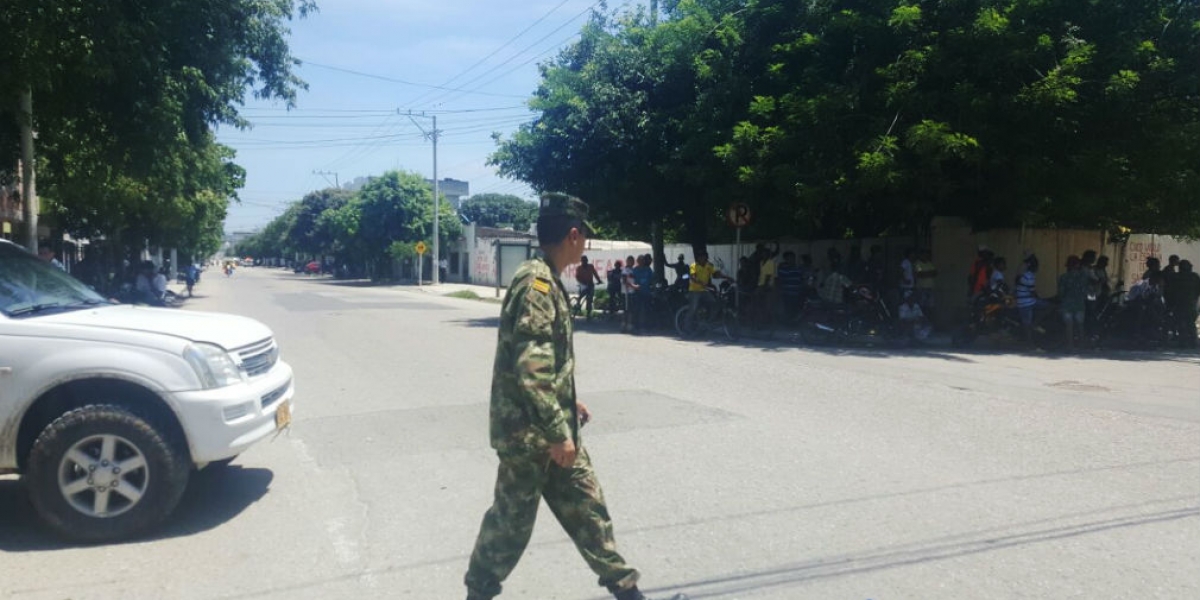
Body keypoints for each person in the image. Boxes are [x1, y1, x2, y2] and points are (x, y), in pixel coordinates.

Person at [463, 193, 687, 600]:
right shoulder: (537, 284)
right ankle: (477, 594)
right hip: (531, 437)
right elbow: (532, 366)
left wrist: (569, 402)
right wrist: (556, 430)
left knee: (589, 510)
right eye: (584, 235)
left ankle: (629, 593)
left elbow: (544, 364)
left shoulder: (544, 277)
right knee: (511, 524)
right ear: (573, 234)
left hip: (551, 425)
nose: (585, 242)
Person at [684, 250, 733, 332]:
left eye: (705, 257)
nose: (704, 259)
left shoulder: (708, 265)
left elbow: (715, 274)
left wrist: (726, 277)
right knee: (693, 308)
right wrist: (700, 282)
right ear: (698, 258)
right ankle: (687, 327)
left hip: (704, 290)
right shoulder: (694, 266)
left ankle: (707, 321)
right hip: (694, 290)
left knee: (714, 303)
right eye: (702, 257)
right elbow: (693, 277)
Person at [1057, 255, 1090, 351]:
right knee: (1080, 325)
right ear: (1078, 265)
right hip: (1079, 304)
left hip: (1067, 304)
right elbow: (1085, 291)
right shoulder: (1083, 277)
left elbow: (1061, 293)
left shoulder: (1063, 277)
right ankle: (1081, 345)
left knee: (1069, 325)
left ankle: (1070, 345)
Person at [1170, 260, 1198, 349]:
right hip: (1186, 303)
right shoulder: (1193, 276)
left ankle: (1187, 341)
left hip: (1184, 303)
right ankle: (1191, 341)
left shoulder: (1176, 277)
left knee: (1184, 323)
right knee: (1188, 323)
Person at [1014, 253, 1039, 342]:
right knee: (1048, 306)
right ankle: (1029, 342)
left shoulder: (1025, 274)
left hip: (1022, 300)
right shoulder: (1029, 276)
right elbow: (1032, 292)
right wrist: (1039, 298)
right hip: (1026, 302)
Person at [776, 251, 806, 320]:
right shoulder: (783, 269)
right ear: (786, 259)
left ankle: (793, 322)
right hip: (787, 293)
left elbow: (802, 279)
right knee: (788, 308)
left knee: (795, 308)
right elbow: (780, 281)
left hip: (797, 292)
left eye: (792, 257)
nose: (791, 259)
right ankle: (789, 322)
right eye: (789, 258)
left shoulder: (799, 268)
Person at [631, 254, 654, 333]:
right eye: (639, 260)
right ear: (637, 261)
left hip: (646, 292)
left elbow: (652, 279)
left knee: (646, 309)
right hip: (637, 292)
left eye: (642, 260)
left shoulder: (648, 269)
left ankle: (646, 326)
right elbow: (631, 280)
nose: (641, 261)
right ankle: (636, 326)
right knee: (637, 309)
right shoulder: (635, 270)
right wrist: (634, 286)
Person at [914, 249, 937, 314]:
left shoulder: (930, 263)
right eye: (924, 254)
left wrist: (925, 273)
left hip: (930, 288)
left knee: (930, 305)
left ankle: (929, 319)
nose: (926, 256)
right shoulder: (918, 263)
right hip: (922, 288)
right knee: (922, 305)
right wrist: (929, 273)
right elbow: (920, 274)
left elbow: (935, 273)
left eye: (927, 254)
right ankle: (922, 318)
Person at [621, 255, 637, 333]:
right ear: (627, 261)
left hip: (632, 292)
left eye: (633, 261)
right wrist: (633, 286)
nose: (632, 262)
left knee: (631, 309)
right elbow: (624, 281)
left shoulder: (633, 270)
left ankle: (630, 325)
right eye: (631, 260)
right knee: (626, 310)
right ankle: (624, 325)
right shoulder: (625, 270)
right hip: (626, 293)